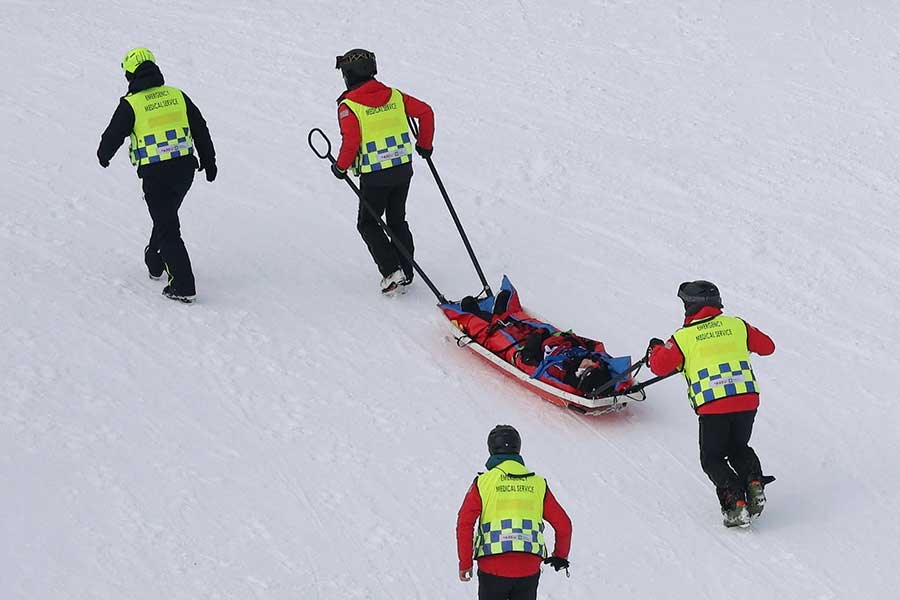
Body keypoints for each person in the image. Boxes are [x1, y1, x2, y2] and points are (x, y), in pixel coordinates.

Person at [646, 280, 776, 527]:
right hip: (746, 398)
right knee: (739, 447)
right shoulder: (737, 325)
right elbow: (768, 347)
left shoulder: (684, 337)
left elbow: (659, 366)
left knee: (712, 458)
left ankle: (735, 504)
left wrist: (656, 349)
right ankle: (753, 481)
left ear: (690, 307)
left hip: (713, 403)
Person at [97, 48, 216, 303]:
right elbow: (200, 127)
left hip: (156, 174)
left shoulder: (131, 104)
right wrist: (209, 160)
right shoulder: (177, 95)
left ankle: (183, 285)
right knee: (165, 217)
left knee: (168, 227)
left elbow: (113, 135)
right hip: (184, 171)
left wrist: (103, 154)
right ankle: (155, 259)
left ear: (130, 75)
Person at [331, 48, 434, 295]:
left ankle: (391, 271)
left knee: (368, 223)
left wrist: (340, 167)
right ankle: (406, 270)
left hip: (375, 176)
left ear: (348, 74)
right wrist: (425, 145)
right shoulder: (395, 96)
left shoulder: (349, 105)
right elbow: (426, 112)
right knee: (396, 219)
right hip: (402, 170)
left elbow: (352, 140)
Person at [456, 425, 572, 600]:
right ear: (518, 448)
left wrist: (465, 563)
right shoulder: (538, 484)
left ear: (491, 450)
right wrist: (560, 555)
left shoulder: (483, 483)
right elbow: (564, 525)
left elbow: (464, 524)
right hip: (528, 567)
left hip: (492, 567)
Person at [458, 291, 614, 396]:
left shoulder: (559, 370)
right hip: (538, 338)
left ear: (580, 373)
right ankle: (501, 313)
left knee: (495, 333)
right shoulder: (580, 357)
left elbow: (529, 362)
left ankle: (475, 314)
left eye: (589, 365)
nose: (591, 361)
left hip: (521, 346)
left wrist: (538, 339)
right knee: (518, 322)